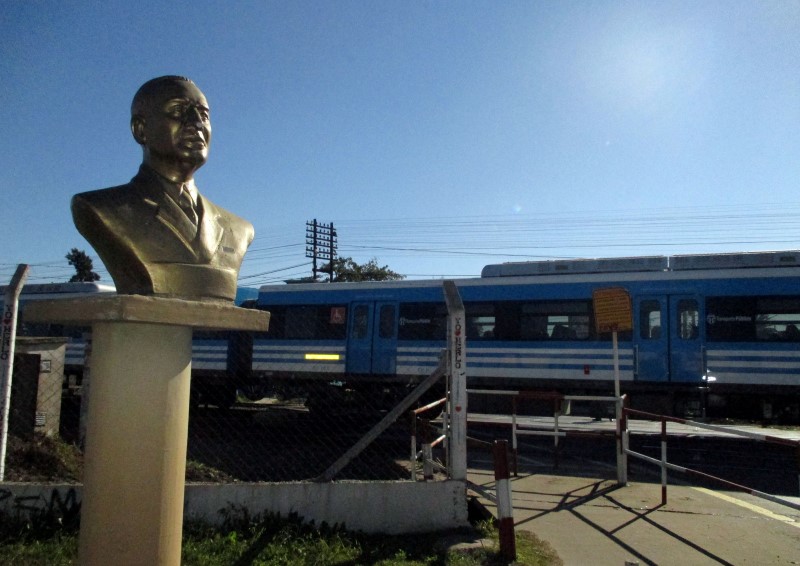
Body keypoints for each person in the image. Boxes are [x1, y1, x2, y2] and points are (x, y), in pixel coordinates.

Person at [71, 76, 254, 303]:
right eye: (178, 111)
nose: (196, 123)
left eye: (203, 115)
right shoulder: (102, 208)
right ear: (140, 129)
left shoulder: (238, 229)